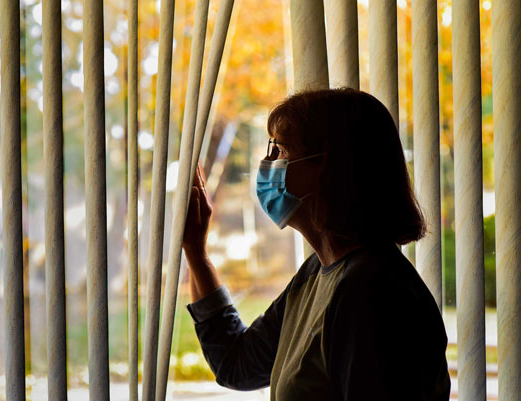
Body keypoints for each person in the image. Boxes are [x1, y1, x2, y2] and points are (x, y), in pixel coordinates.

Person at [182, 88, 451, 400]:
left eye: (280, 151)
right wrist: (196, 253)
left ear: (328, 167)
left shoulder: (372, 291)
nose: (267, 163)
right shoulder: (317, 272)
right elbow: (237, 364)